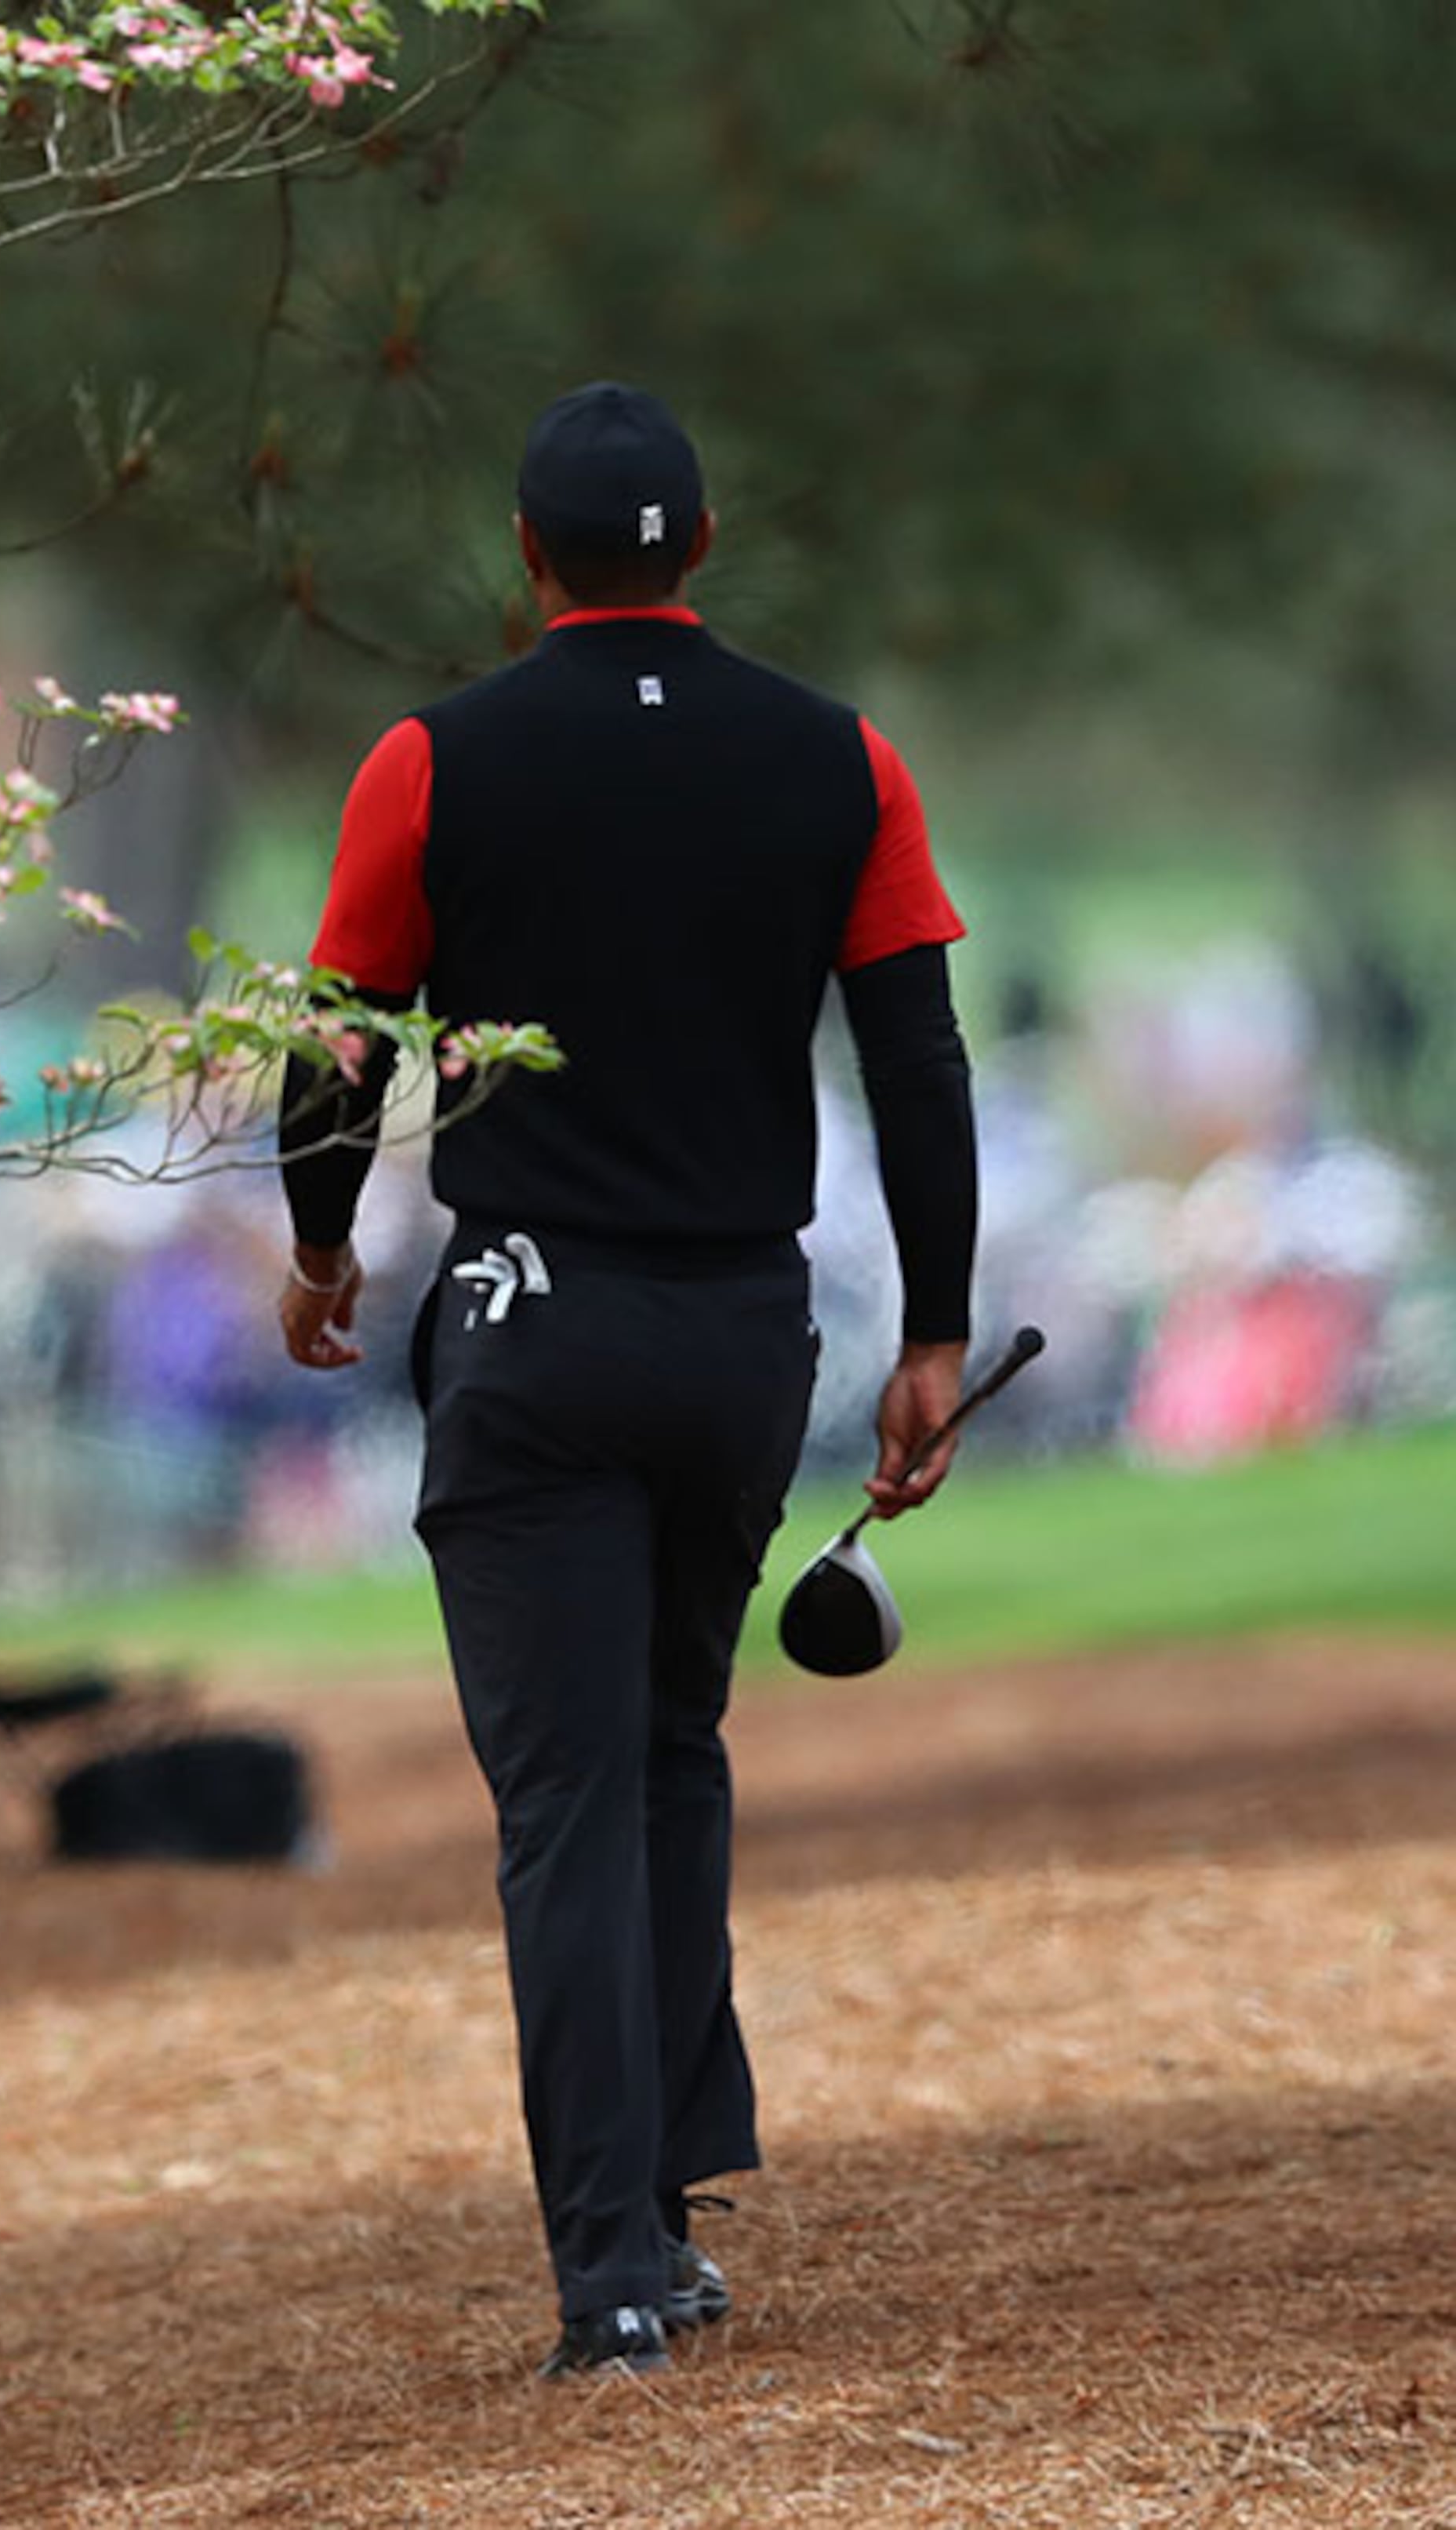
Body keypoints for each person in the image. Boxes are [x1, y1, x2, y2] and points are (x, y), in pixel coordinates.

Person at [273, 382, 980, 2381]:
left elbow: (343, 1040)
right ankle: (660, 2215)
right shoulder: (841, 758)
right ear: (708, 540)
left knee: (570, 1791)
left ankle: (612, 2271)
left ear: (530, 555)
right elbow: (914, 1054)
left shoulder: (435, 758)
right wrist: (937, 1325)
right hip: (745, 1333)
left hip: (538, 1321)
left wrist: (323, 1240)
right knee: (671, 1743)